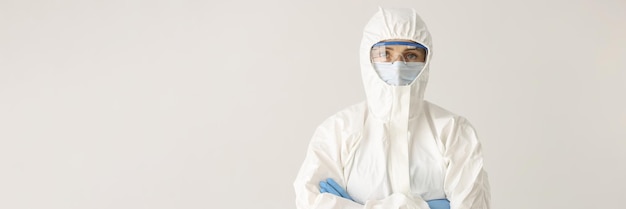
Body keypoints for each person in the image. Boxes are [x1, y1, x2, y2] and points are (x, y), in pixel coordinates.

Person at [293, 7, 491, 209]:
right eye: (385, 54)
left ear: (427, 60)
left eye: (411, 56)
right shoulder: (338, 131)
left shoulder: (453, 131)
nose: (398, 65)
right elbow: (309, 201)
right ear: (366, 58)